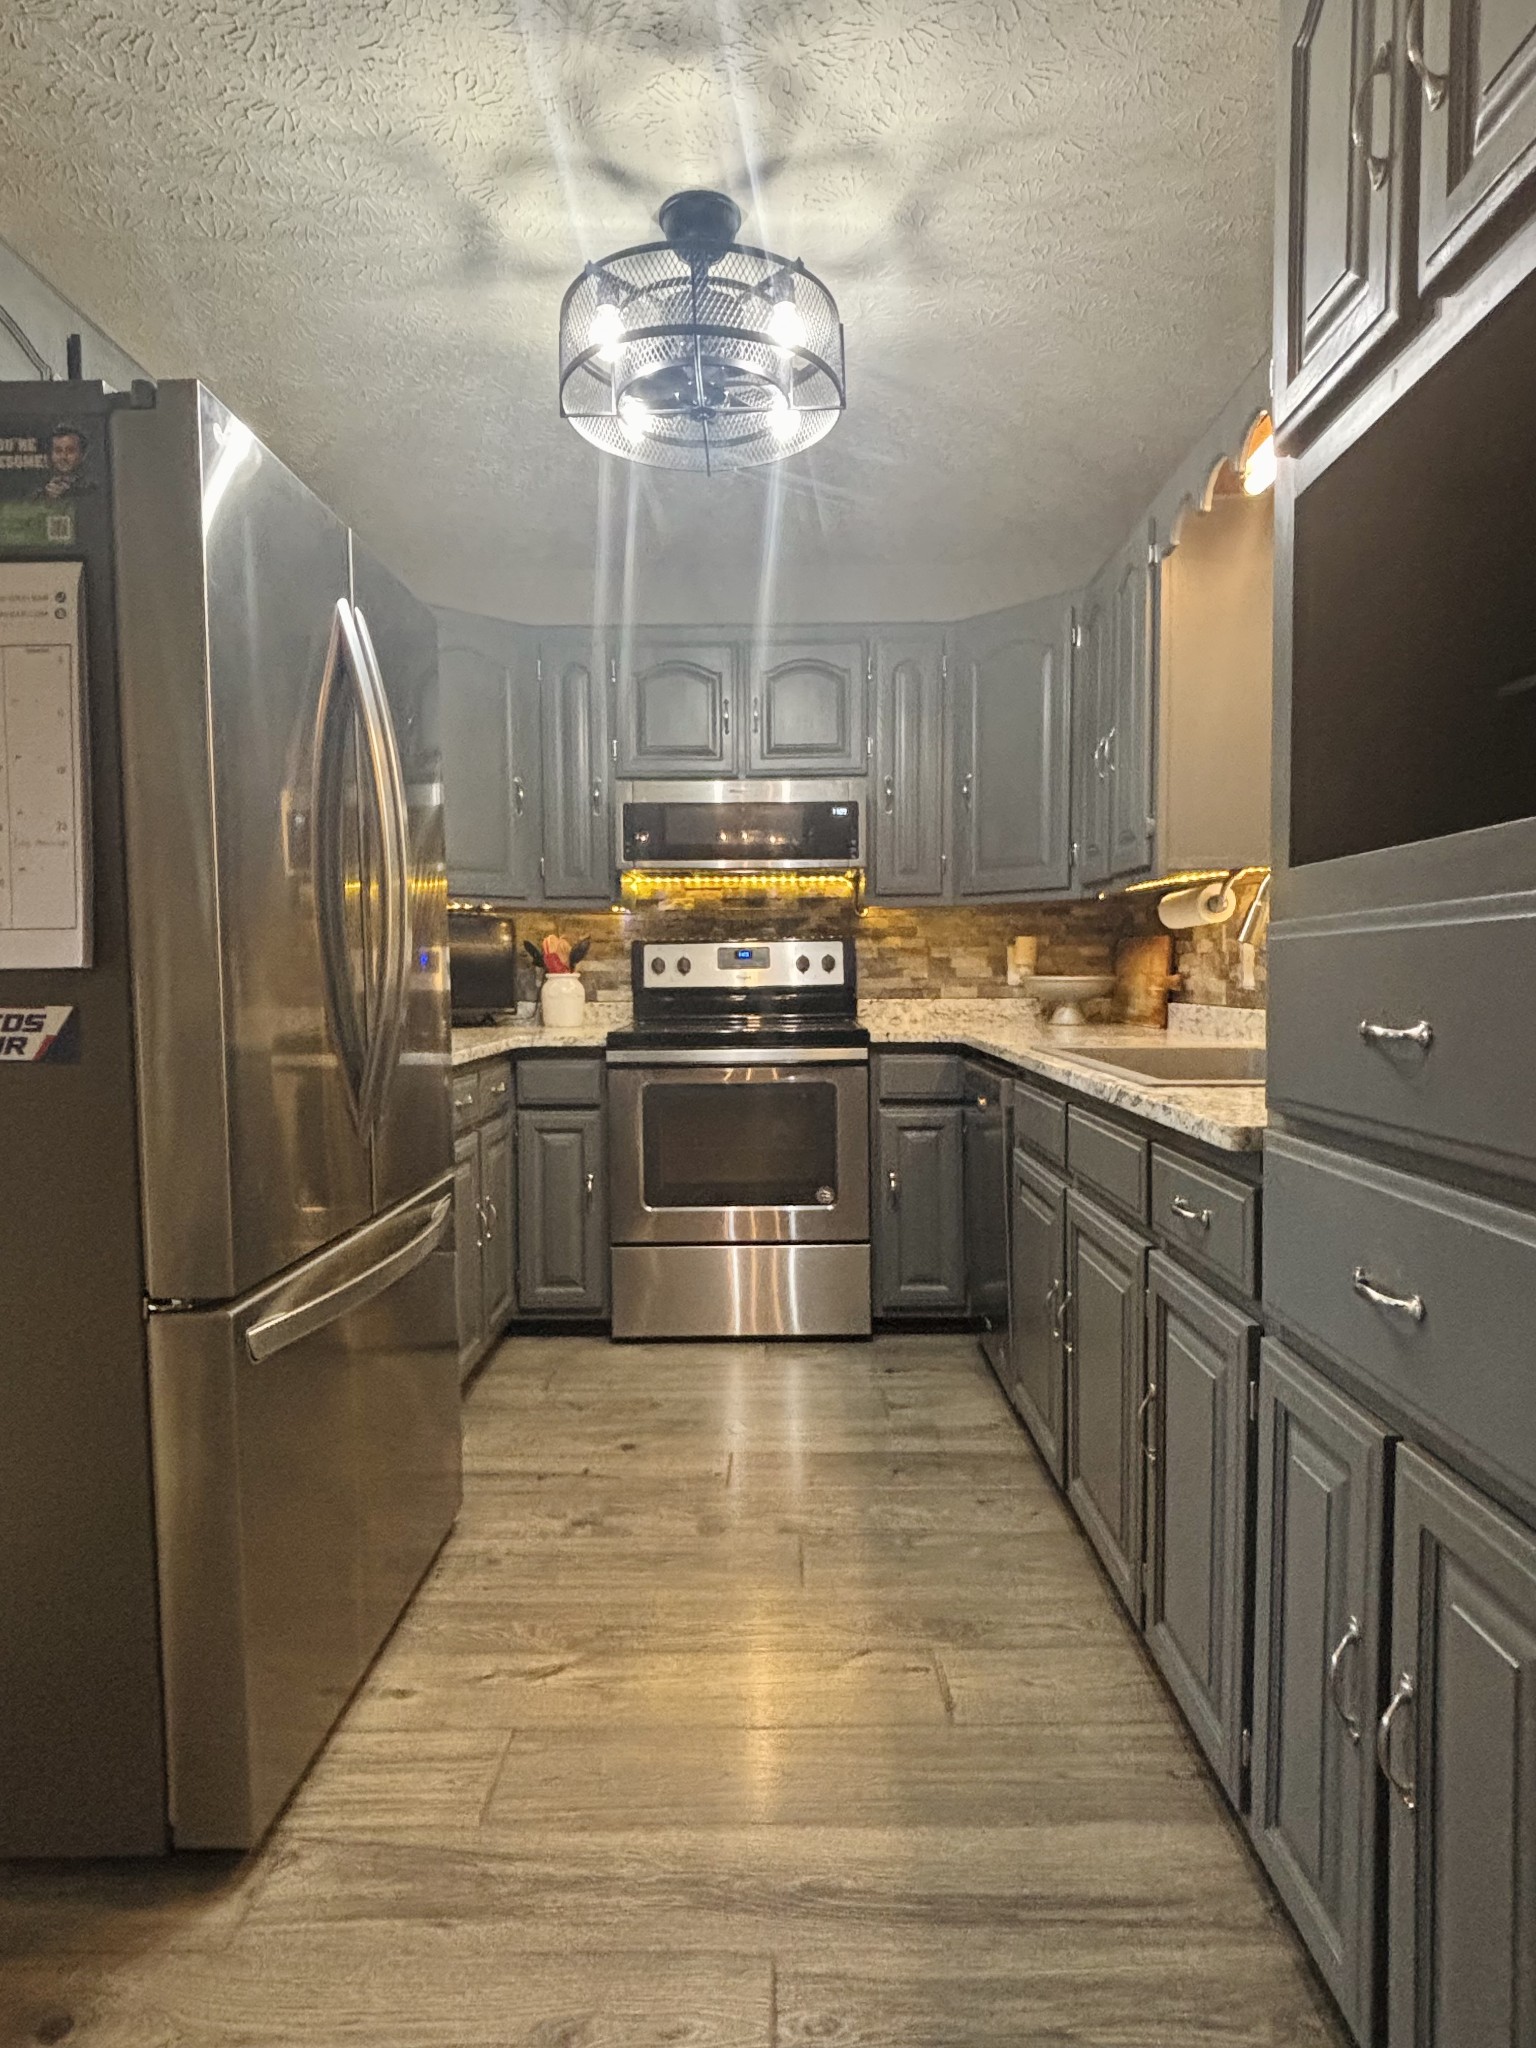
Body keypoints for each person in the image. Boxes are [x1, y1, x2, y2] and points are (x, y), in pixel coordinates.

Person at [36, 425, 92, 499]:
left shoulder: (91, 489)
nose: (63, 457)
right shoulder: (39, 492)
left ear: (82, 455)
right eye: (58, 451)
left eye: (70, 450)